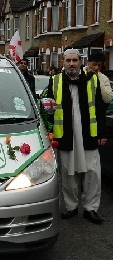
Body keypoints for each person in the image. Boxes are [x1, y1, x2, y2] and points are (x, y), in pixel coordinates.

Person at [45, 49, 107, 224]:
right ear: (63, 63)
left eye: (74, 60)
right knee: (68, 175)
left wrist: (102, 133)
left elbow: (101, 108)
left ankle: (91, 209)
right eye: (68, 61)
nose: (71, 64)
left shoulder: (92, 79)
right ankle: (71, 207)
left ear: (81, 62)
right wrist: (48, 131)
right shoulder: (55, 80)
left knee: (93, 174)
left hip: (89, 134)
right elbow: (47, 108)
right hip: (65, 135)